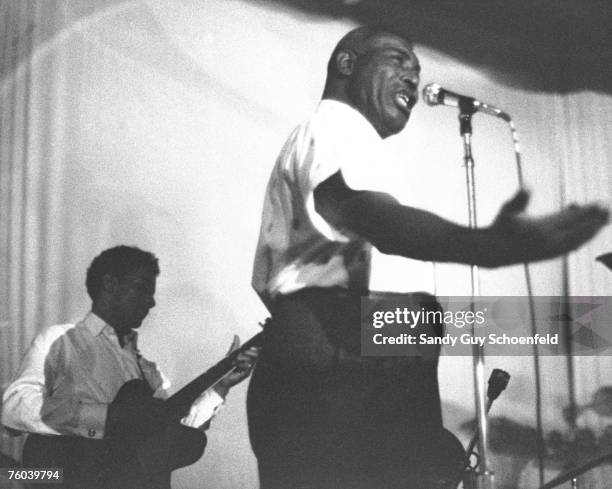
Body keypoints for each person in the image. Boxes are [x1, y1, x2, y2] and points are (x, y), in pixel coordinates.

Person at [248, 26, 609, 489]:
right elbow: (374, 218)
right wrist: (491, 247)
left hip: (317, 339)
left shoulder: (331, 140)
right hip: (322, 340)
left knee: (421, 319)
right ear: (347, 64)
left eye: (417, 70)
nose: (412, 78)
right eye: (397, 61)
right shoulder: (334, 126)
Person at [2, 245, 259, 489]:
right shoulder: (62, 341)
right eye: (141, 289)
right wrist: (106, 418)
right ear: (110, 285)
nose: (151, 302)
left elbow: (174, 428)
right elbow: (14, 407)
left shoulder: (147, 370)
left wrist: (222, 385)